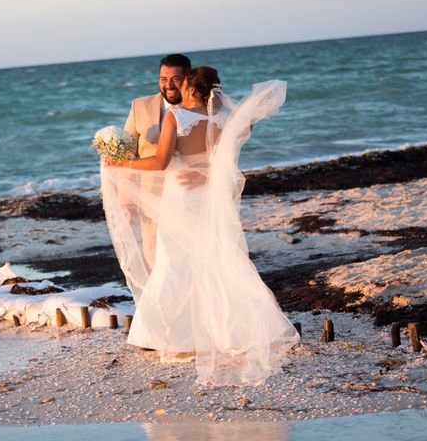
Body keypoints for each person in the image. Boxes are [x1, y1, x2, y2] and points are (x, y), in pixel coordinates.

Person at [100, 66, 299, 386]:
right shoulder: (225, 122)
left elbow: (161, 162)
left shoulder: (176, 117)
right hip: (210, 200)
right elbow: (226, 157)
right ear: (213, 92)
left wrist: (123, 163)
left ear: (191, 89)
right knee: (218, 261)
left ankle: (173, 336)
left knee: (175, 262)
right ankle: (235, 330)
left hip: (180, 199)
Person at [123, 54, 191, 270]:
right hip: (149, 199)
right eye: (163, 79)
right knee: (154, 259)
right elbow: (125, 153)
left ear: (188, 78)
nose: (168, 85)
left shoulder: (202, 107)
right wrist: (126, 201)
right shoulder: (140, 106)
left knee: (187, 260)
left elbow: (221, 145)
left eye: (175, 79)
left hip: (189, 197)